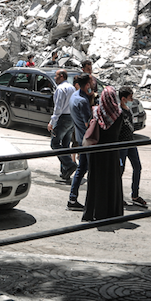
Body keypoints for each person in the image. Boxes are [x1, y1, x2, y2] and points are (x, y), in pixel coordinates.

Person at [83, 85, 125, 222]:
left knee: (96, 181)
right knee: (112, 181)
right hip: (112, 151)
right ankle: (112, 212)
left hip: (97, 151)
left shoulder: (96, 112)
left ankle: (94, 212)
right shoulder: (119, 113)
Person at [66, 74, 94, 211]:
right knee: (86, 169)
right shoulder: (82, 101)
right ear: (87, 85)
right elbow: (89, 123)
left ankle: (72, 198)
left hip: (80, 137)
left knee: (82, 168)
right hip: (87, 140)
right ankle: (83, 200)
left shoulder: (75, 96)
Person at [117, 86, 146, 207]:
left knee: (137, 167)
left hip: (131, 143)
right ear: (123, 98)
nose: (132, 99)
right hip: (122, 144)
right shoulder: (119, 112)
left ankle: (135, 194)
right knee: (120, 170)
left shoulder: (128, 109)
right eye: (130, 97)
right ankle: (118, 196)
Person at [48, 69, 77, 182]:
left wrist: (52, 122)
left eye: (56, 76)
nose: (55, 78)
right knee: (65, 145)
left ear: (61, 76)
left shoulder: (61, 89)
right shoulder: (72, 88)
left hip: (63, 119)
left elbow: (58, 108)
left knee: (55, 143)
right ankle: (65, 174)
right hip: (71, 118)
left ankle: (69, 165)